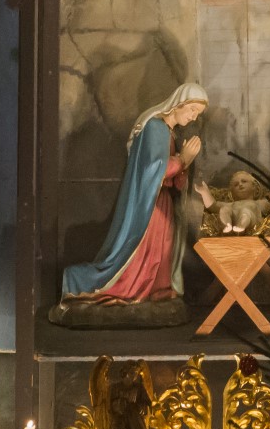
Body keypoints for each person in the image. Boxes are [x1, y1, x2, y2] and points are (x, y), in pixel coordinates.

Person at [57, 83, 208, 313]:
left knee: (162, 250)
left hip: (161, 202)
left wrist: (183, 165)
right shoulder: (156, 128)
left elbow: (173, 179)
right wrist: (182, 160)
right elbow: (153, 169)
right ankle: (119, 287)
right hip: (149, 205)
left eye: (198, 113)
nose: (193, 117)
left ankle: (156, 291)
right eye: (192, 110)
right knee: (142, 252)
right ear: (179, 103)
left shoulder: (168, 133)